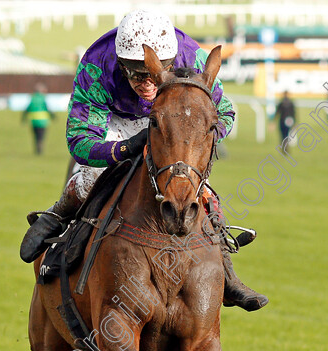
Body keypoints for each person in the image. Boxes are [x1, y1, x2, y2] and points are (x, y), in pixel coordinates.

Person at [19, 9, 267, 312]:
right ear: (122, 66)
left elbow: (224, 112)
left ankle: (227, 273)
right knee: (91, 177)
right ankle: (59, 217)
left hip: (172, 122)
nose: (148, 84)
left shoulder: (193, 59)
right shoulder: (98, 65)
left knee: (193, 185)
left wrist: (197, 137)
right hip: (115, 121)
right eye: (138, 75)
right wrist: (124, 149)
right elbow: (80, 140)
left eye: (155, 73)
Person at [22, 83, 54, 155]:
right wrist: (53, 116)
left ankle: (36, 150)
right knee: (41, 137)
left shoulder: (32, 98)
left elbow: (27, 109)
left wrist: (23, 118)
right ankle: (40, 150)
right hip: (43, 122)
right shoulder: (43, 98)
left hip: (34, 121)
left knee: (35, 136)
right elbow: (47, 108)